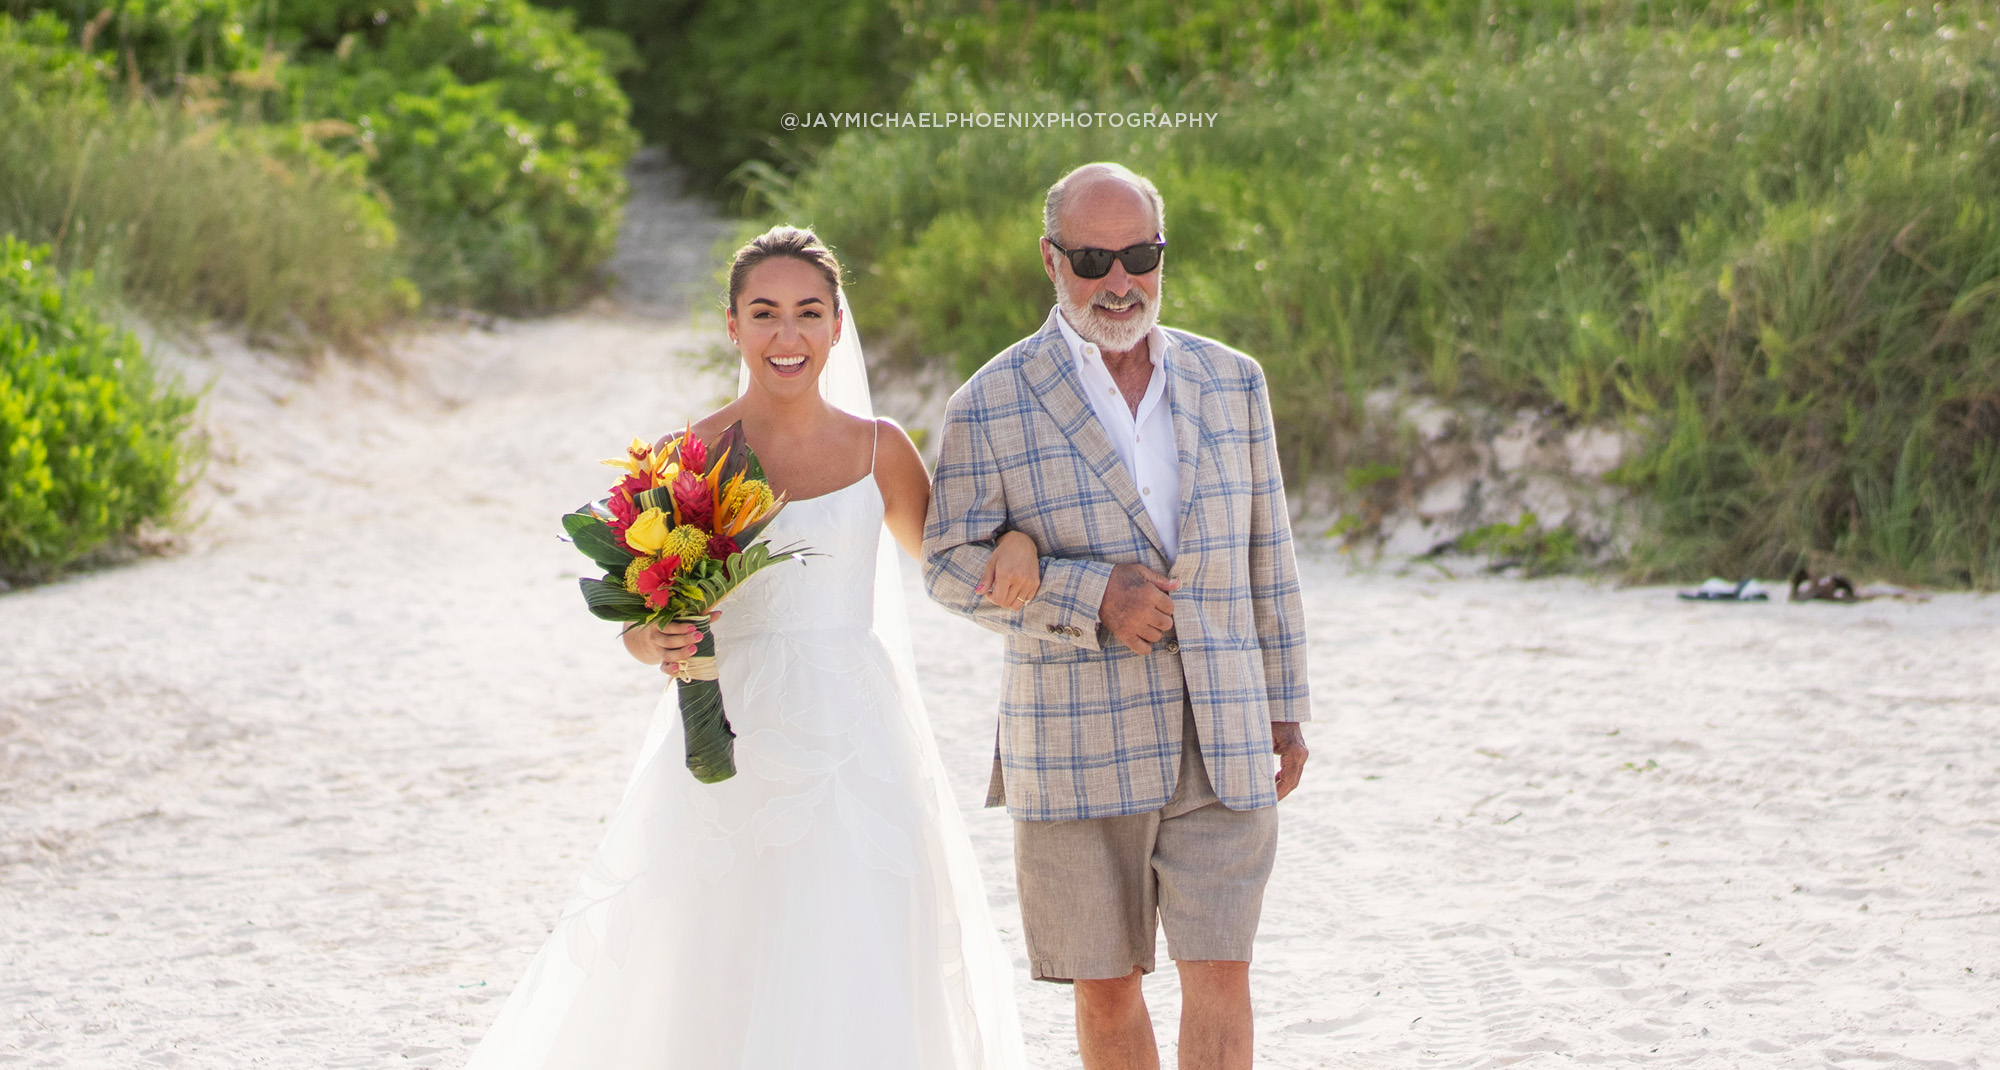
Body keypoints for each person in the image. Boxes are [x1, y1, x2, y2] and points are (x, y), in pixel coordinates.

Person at [465, 226, 1039, 1069]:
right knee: (714, 946)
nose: (787, 336)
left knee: (854, 936)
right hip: (726, 736)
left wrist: (1018, 544)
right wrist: (648, 638)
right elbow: (643, 613)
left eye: (808, 314)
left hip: (857, 739)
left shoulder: (881, 450)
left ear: (838, 327)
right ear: (732, 327)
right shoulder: (689, 458)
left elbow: (953, 565)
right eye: (764, 314)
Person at [922, 163, 1312, 1070]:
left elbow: (1271, 557)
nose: (1119, 281)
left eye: (1139, 254)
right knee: (1106, 989)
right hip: (1073, 742)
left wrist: (1286, 705)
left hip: (1224, 727)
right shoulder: (989, 402)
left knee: (1221, 969)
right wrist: (1088, 595)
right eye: (1095, 258)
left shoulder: (1233, 382)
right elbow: (947, 566)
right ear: (1051, 261)